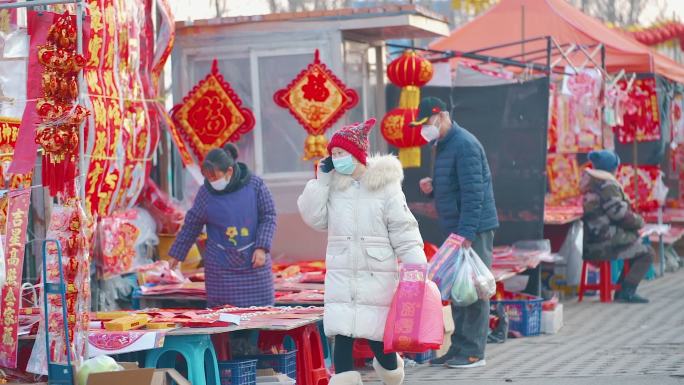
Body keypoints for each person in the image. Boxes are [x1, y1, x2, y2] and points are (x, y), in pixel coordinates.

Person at [298, 118, 427, 385]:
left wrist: (415, 266)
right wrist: (320, 183)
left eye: (340, 153)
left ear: (357, 155)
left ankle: (392, 371)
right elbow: (314, 219)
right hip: (342, 273)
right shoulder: (333, 187)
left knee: (379, 339)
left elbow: (404, 229)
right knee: (342, 335)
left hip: (376, 274)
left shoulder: (386, 186)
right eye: (333, 154)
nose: (336, 159)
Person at [414, 97, 499, 369]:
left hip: (472, 230)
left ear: (441, 116)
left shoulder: (465, 145)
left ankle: (474, 352)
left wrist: (466, 233)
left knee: (474, 289)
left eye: (427, 122)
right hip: (456, 230)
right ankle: (459, 348)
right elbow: (457, 185)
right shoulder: (443, 144)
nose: (424, 129)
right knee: (459, 289)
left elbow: (475, 194)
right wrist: (435, 186)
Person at [168, 144, 277, 308]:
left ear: (229, 171)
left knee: (260, 315)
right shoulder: (206, 193)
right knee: (221, 316)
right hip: (220, 270)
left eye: (215, 177)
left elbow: (268, 216)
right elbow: (192, 224)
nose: (212, 182)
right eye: (208, 178)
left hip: (254, 265)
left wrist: (262, 248)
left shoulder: (255, 185)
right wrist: (177, 254)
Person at [581, 150, 653, 303]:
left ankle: (623, 290)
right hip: (605, 242)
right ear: (612, 168)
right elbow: (619, 214)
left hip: (593, 239)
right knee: (647, 253)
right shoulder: (607, 185)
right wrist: (639, 222)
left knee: (637, 243)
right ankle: (626, 291)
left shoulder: (591, 183)